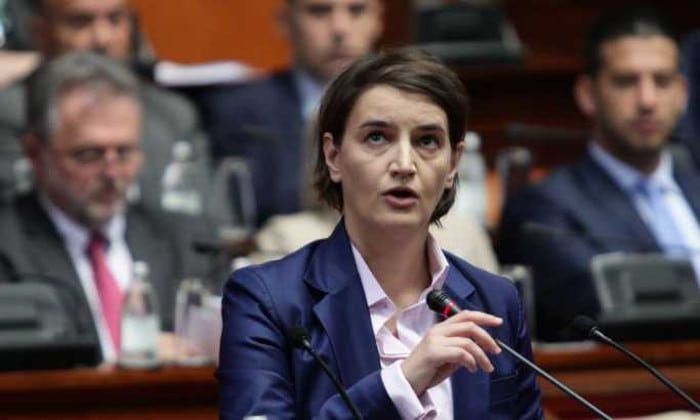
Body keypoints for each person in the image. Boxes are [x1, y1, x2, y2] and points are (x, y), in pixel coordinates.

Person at [218, 48, 542, 419]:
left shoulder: (495, 302)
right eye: (377, 137)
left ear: (453, 163)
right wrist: (401, 384)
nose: (404, 165)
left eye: (427, 141)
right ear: (334, 156)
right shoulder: (268, 301)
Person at [0, 51, 217, 364]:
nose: (112, 173)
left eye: (124, 153)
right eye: (89, 155)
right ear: (35, 153)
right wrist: (115, 369)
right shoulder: (7, 247)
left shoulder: (187, 242)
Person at [498, 7, 700, 341]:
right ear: (588, 94)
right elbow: (602, 305)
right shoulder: (544, 210)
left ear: (683, 94)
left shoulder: (694, 184)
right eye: (626, 81)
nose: (647, 100)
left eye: (662, 81)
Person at [0, 0, 210, 213]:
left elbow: (200, 214)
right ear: (40, 32)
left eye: (115, 20)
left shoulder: (172, 114)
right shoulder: (8, 113)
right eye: (80, 22)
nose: (102, 39)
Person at [199, 0, 384, 226]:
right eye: (319, 11)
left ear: (378, 20)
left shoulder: (409, 109)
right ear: (285, 22)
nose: (339, 28)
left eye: (357, 11)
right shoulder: (236, 112)